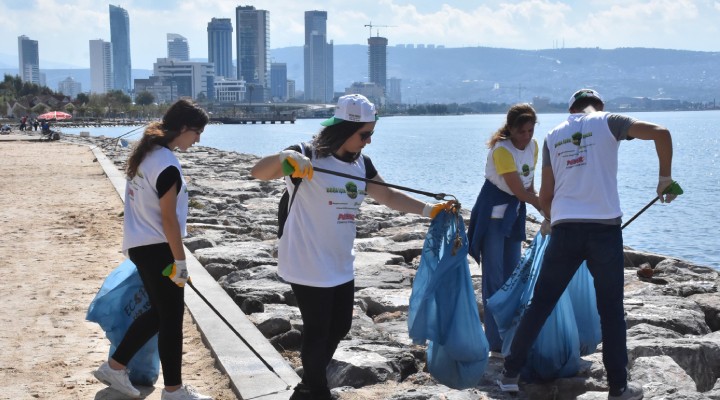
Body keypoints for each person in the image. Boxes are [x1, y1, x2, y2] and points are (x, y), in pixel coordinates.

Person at [251, 94, 455, 400]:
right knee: (318, 329)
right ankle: (316, 391)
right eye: (365, 134)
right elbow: (259, 171)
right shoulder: (306, 153)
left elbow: (388, 196)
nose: (368, 141)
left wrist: (429, 209)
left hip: (339, 261)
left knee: (340, 326)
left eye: (371, 134)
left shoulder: (362, 163)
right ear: (345, 128)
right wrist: (286, 160)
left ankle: (309, 382)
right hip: (306, 260)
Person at [497, 89, 677, 400]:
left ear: (571, 110)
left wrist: (553, 218)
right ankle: (618, 387)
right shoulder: (609, 121)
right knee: (610, 310)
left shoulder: (554, 135)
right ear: (599, 106)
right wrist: (664, 178)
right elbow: (662, 133)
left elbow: (547, 194)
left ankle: (510, 375)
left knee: (541, 304)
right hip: (605, 231)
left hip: (565, 231)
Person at [93, 99, 213, 400]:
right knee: (171, 321)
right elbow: (169, 219)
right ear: (184, 128)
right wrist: (180, 261)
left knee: (160, 315)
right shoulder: (167, 164)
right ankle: (173, 390)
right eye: (197, 133)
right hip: (158, 249)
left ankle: (115, 366)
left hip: (140, 247)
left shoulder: (147, 154)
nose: (197, 140)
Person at [467, 103, 542, 356]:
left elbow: (529, 188)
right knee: (494, 279)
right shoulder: (501, 150)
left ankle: (511, 334)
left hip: (514, 215)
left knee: (513, 277)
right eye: (521, 132)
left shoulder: (533, 147)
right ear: (510, 129)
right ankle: (494, 341)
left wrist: (550, 213)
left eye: (530, 131)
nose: (527, 136)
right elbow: (519, 191)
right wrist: (546, 204)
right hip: (493, 218)